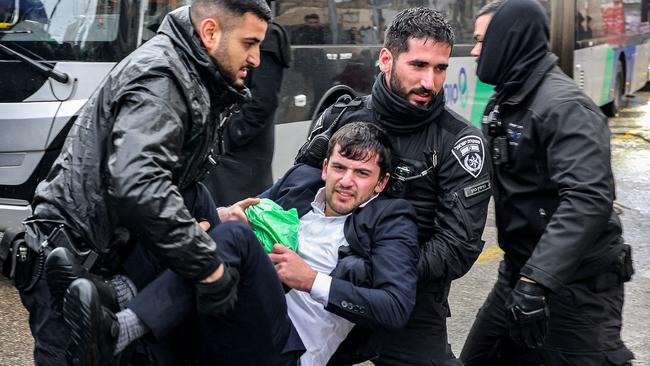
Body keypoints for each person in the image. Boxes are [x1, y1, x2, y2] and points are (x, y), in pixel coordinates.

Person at [12, 1, 271, 365]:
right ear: (210, 33)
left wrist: (216, 216)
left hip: (101, 264)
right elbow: (139, 182)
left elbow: (167, 181)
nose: (257, 58)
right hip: (73, 274)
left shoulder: (188, 71)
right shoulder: (163, 77)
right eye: (249, 43)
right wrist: (209, 268)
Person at [49, 122, 420, 366]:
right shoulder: (301, 181)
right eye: (340, 168)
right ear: (325, 167)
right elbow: (244, 220)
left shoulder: (391, 221)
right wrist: (225, 214)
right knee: (194, 201)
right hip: (232, 308)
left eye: (362, 174)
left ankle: (118, 325)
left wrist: (311, 280)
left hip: (285, 349)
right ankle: (111, 291)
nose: (346, 181)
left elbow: (395, 308)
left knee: (234, 239)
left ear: (381, 183)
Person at [296, 8, 491, 366]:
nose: (429, 82)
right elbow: (298, 195)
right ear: (386, 59)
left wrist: (374, 272)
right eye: (418, 65)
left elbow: (456, 248)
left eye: (440, 68)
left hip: (411, 303)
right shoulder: (340, 118)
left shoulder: (460, 143)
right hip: (327, 288)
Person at [460, 1, 635, 365]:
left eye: (481, 41)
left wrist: (536, 283)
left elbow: (587, 198)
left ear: (509, 41)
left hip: (577, 289)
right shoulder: (509, 99)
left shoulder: (565, 106)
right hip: (520, 275)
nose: (476, 50)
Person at [203, 9, 291, 205]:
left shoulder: (267, 34)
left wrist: (229, 136)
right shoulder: (231, 27)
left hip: (242, 153)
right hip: (226, 151)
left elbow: (263, 101)